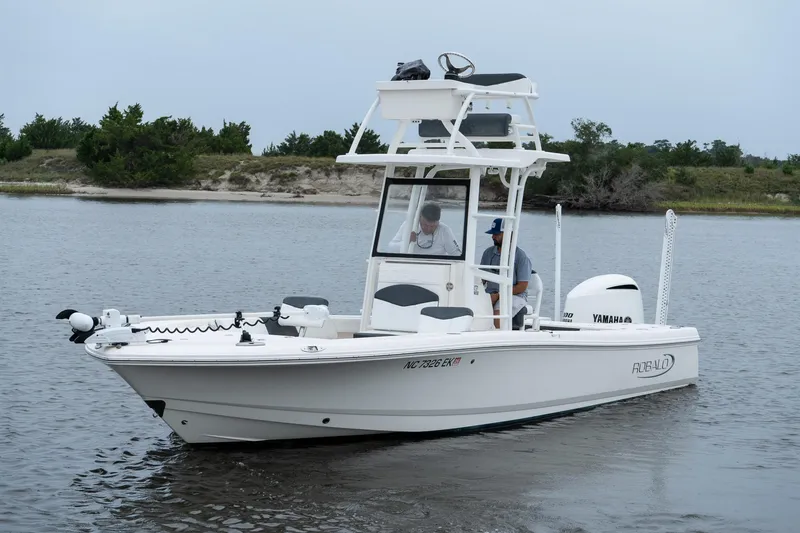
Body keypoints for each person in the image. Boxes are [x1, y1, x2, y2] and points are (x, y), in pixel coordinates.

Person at [480, 217, 533, 329]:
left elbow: (522, 286)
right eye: (493, 233)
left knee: (499, 312)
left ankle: (497, 340)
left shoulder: (521, 257)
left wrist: (499, 295)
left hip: (515, 295)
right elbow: (481, 279)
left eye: (496, 234)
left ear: (508, 234)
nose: (492, 236)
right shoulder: (488, 253)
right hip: (491, 293)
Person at [386, 202, 462, 256]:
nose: (428, 229)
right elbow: (391, 248)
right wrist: (407, 241)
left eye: (432, 226)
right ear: (420, 218)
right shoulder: (408, 226)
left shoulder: (444, 230)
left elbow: (456, 254)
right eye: (425, 225)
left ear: (438, 222)